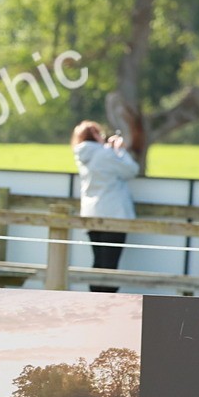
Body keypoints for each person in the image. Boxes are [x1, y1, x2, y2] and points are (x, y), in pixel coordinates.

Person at [72, 120, 139, 293]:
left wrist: (110, 150)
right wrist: (120, 150)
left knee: (98, 262)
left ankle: (94, 302)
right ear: (94, 134)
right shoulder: (105, 154)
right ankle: (107, 306)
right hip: (113, 214)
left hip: (91, 214)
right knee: (110, 266)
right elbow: (131, 170)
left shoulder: (82, 155)